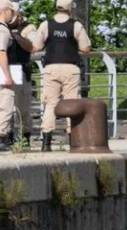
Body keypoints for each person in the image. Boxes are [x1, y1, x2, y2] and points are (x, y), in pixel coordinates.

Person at [31, 0, 91, 152]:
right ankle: (73, 140)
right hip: (71, 68)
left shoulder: (46, 24)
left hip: (51, 67)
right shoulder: (76, 25)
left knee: (50, 104)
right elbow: (85, 48)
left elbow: (36, 46)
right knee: (72, 103)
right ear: (70, 8)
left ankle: (46, 142)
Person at [8, 2, 35, 147]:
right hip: (5, 68)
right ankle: (8, 136)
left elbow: (32, 46)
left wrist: (17, 36)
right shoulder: (2, 27)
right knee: (7, 107)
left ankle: (25, 138)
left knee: (22, 107)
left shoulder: (27, 27)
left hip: (20, 69)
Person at [0, 0, 16, 151]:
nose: (13, 14)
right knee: (6, 103)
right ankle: (1, 137)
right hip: (1, 73)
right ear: (4, 11)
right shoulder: (3, 30)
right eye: (11, 11)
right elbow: (2, 52)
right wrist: (7, 76)